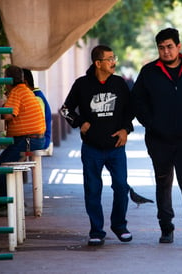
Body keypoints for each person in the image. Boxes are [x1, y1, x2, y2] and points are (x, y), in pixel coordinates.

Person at [131, 28, 182, 244]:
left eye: (169, 47)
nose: (166, 51)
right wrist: (152, 124)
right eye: (161, 48)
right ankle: (166, 228)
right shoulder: (148, 72)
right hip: (159, 140)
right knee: (163, 182)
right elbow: (137, 101)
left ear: (178, 47)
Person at [59, 45, 134, 246]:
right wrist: (79, 122)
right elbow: (65, 110)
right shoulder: (82, 85)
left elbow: (130, 110)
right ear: (98, 63)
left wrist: (126, 129)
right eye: (109, 59)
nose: (113, 62)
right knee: (92, 189)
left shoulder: (119, 84)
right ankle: (96, 230)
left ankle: (119, 225)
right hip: (91, 148)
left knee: (121, 187)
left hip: (116, 147)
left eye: (114, 58)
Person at [0, 65, 46, 215]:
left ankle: (6, 204)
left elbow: (8, 115)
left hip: (27, 140)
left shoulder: (17, 92)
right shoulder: (25, 90)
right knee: (3, 164)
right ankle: (9, 201)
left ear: (8, 80)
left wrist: (2, 108)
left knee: (0, 168)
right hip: (34, 139)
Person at [23, 69, 52, 149]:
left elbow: (37, 127)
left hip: (40, 139)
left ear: (25, 83)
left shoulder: (36, 98)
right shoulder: (32, 96)